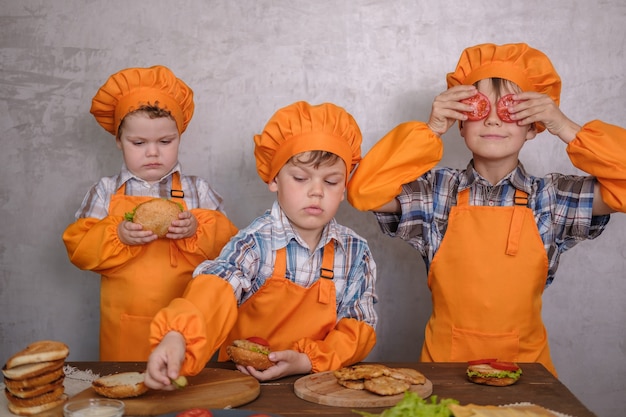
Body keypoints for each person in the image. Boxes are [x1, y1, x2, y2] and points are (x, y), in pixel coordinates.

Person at [347, 43, 626, 377]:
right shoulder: (434, 194)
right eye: (479, 108)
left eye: (511, 109)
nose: (493, 119)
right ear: (460, 124)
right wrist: (432, 128)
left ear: (533, 126)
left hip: (528, 376)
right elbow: (363, 191)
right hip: (444, 375)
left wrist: (564, 126)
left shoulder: (552, 199)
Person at [144, 101, 378, 389]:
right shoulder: (253, 244)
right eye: (301, 178)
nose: (316, 191)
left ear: (344, 189)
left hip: (319, 387)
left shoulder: (355, 253)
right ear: (274, 178)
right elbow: (215, 289)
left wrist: (306, 360)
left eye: (331, 181)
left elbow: (359, 327)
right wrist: (177, 336)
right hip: (242, 385)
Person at [62, 65, 238, 361]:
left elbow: (231, 250)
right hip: (125, 329)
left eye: (165, 142)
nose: (153, 152)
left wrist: (197, 229)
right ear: (119, 140)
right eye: (139, 143)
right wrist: (116, 234)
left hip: (188, 326)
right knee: (130, 398)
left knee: (187, 400)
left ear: (179, 136)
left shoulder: (199, 191)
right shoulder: (105, 192)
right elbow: (79, 249)